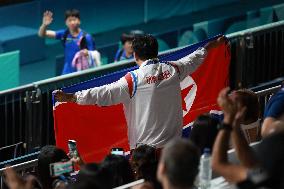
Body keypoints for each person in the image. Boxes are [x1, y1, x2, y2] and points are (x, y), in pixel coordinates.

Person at [54, 34, 226, 150]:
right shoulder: (174, 69)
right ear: (156, 51)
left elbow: (102, 93)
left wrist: (71, 97)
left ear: (135, 55)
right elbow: (195, 58)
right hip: (176, 150)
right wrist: (212, 45)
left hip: (147, 156)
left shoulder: (132, 81)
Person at [212, 88, 284, 189]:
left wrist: (229, 120)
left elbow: (219, 165)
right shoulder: (260, 125)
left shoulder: (228, 134)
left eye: (233, 103)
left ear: (241, 110)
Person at [38, 9, 95, 75]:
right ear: (66, 22)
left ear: (79, 21)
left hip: (83, 72)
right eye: (70, 20)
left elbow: (93, 55)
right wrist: (44, 25)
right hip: (67, 72)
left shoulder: (86, 37)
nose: (72, 22)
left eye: (74, 20)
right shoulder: (64, 34)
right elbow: (42, 34)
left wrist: (87, 53)